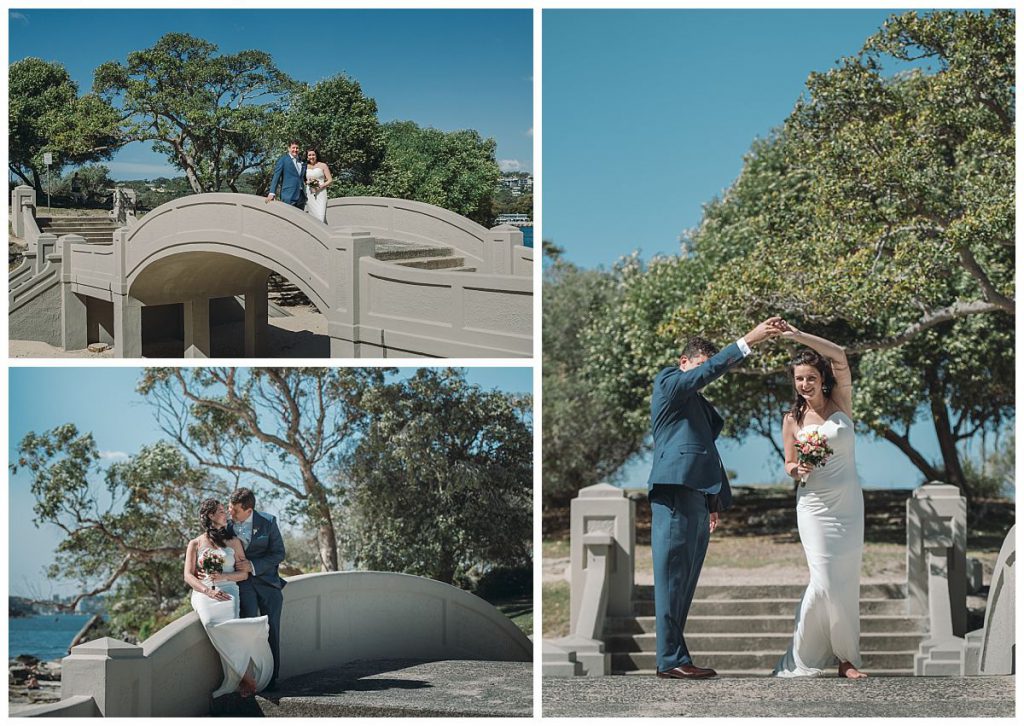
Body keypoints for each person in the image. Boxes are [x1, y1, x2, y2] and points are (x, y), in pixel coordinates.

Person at [647, 317, 782, 679]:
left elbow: (706, 450)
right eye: (701, 364)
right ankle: (670, 660)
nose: (705, 372)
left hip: (697, 496)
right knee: (672, 577)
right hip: (674, 491)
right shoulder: (669, 383)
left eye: (710, 364)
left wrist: (713, 499)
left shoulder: (699, 407)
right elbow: (697, 380)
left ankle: (676, 657)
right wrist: (748, 340)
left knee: (686, 580)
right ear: (683, 361)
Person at [771, 320, 867, 679]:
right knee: (824, 579)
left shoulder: (841, 402)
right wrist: (799, 469)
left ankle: (846, 660)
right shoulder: (791, 419)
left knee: (845, 581)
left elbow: (840, 355)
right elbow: (789, 464)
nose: (805, 384)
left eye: (810, 377)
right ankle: (801, 657)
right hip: (813, 507)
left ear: (821, 379)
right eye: (799, 379)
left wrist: (795, 335)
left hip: (849, 505)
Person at [184, 499, 273, 699]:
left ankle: (243, 677)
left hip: (229, 591)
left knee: (230, 629)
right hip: (204, 592)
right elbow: (188, 575)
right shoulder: (195, 543)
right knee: (211, 623)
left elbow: (243, 574)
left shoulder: (234, 542)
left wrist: (223, 577)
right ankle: (244, 675)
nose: (226, 514)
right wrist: (208, 591)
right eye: (222, 511)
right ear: (210, 516)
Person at [226, 488, 287, 690]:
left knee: (273, 631)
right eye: (229, 507)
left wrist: (252, 566)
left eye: (234, 509)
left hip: (269, 584)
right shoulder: (226, 526)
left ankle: (272, 679)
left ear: (248, 509)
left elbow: (278, 553)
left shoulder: (269, 522)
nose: (230, 513)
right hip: (243, 586)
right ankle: (249, 679)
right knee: (247, 630)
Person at [266, 141, 307, 210]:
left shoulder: (302, 161)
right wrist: (272, 192)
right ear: (289, 149)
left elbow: (303, 177)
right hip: (288, 195)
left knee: (299, 220)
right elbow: (276, 177)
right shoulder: (283, 160)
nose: (295, 150)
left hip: (301, 196)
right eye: (293, 148)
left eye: (297, 148)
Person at [303, 148, 332, 224]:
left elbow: (330, 180)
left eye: (313, 155)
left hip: (321, 194)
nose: (311, 157)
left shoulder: (323, 165)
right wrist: (308, 182)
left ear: (316, 156)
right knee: (313, 218)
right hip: (310, 194)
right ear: (307, 156)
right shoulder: (305, 166)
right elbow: (303, 180)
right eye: (309, 155)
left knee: (321, 216)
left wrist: (320, 187)